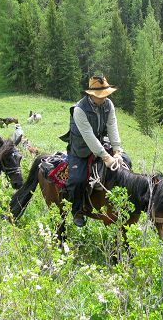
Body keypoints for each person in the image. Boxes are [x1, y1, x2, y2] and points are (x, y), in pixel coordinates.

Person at [63, 75, 127, 227]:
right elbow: (88, 136)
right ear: (91, 95)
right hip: (81, 148)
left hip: (101, 143)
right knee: (77, 180)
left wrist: (117, 150)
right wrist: (106, 157)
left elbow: (112, 126)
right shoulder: (79, 110)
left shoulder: (108, 105)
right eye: (101, 96)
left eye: (106, 95)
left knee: (126, 162)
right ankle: (77, 210)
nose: (104, 98)